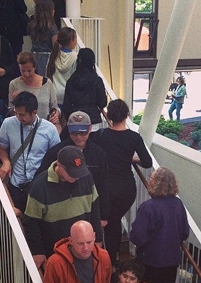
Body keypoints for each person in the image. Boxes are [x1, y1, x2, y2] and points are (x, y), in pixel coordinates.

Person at [130, 167, 189, 283]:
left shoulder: (148, 207)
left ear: (156, 183)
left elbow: (137, 237)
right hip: (170, 261)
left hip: (149, 261)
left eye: (152, 178)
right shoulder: (178, 205)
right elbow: (185, 233)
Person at [23, 145, 102, 270]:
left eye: (79, 172)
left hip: (83, 249)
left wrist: (98, 239)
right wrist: (38, 251)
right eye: (72, 174)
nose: (76, 177)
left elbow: (95, 210)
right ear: (58, 165)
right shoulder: (39, 186)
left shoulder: (86, 177)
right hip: (55, 251)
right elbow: (31, 222)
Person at [94, 99, 153, 266]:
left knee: (110, 222)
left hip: (106, 188)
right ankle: (113, 261)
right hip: (127, 188)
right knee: (114, 220)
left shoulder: (101, 135)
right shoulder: (134, 137)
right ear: (127, 115)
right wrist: (132, 158)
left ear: (109, 116)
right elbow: (147, 162)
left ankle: (109, 262)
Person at [36, 111, 109, 226]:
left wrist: (103, 215)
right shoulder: (55, 152)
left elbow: (103, 185)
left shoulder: (99, 154)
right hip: (61, 209)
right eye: (74, 133)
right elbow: (41, 178)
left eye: (83, 133)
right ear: (68, 129)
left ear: (90, 129)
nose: (79, 137)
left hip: (88, 208)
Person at [0, 91, 60, 212]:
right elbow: (2, 147)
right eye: (16, 113)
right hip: (15, 184)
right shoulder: (8, 124)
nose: (18, 118)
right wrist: (6, 162)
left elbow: (56, 157)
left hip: (39, 186)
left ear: (34, 113)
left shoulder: (49, 129)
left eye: (22, 115)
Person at [9, 52, 61, 128]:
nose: (26, 74)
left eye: (29, 71)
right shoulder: (14, 84)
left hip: (44, 126)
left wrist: (56, 114)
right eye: (23, 71)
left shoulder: (47, 83)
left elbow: (55, 107)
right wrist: (16, 102)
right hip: (23, 127)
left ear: (35, 67)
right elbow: (10, 111)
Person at [62, 48, 107, 134]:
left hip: (75, 121)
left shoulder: (71, 81)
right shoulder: (97, 80)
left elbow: (66, 105)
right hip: (93, 122)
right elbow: (102, 103)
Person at [46, 27, 78, 111]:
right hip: (68, 95)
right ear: (71, 41)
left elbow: (47, 73)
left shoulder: (53, 55)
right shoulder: (76, 57)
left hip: (54, 94)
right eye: (76, 39)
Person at [0, 0, 28, 67]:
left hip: (15, 32)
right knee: (1, 59)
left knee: (17, 59)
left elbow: (23, 8)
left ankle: (16, 75)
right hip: (0, 32)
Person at [28, 0, 58, 77]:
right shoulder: (52, 28)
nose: (54, 11)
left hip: (33, 56)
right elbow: (55, 46)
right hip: (47, 59)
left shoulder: (32, 25)